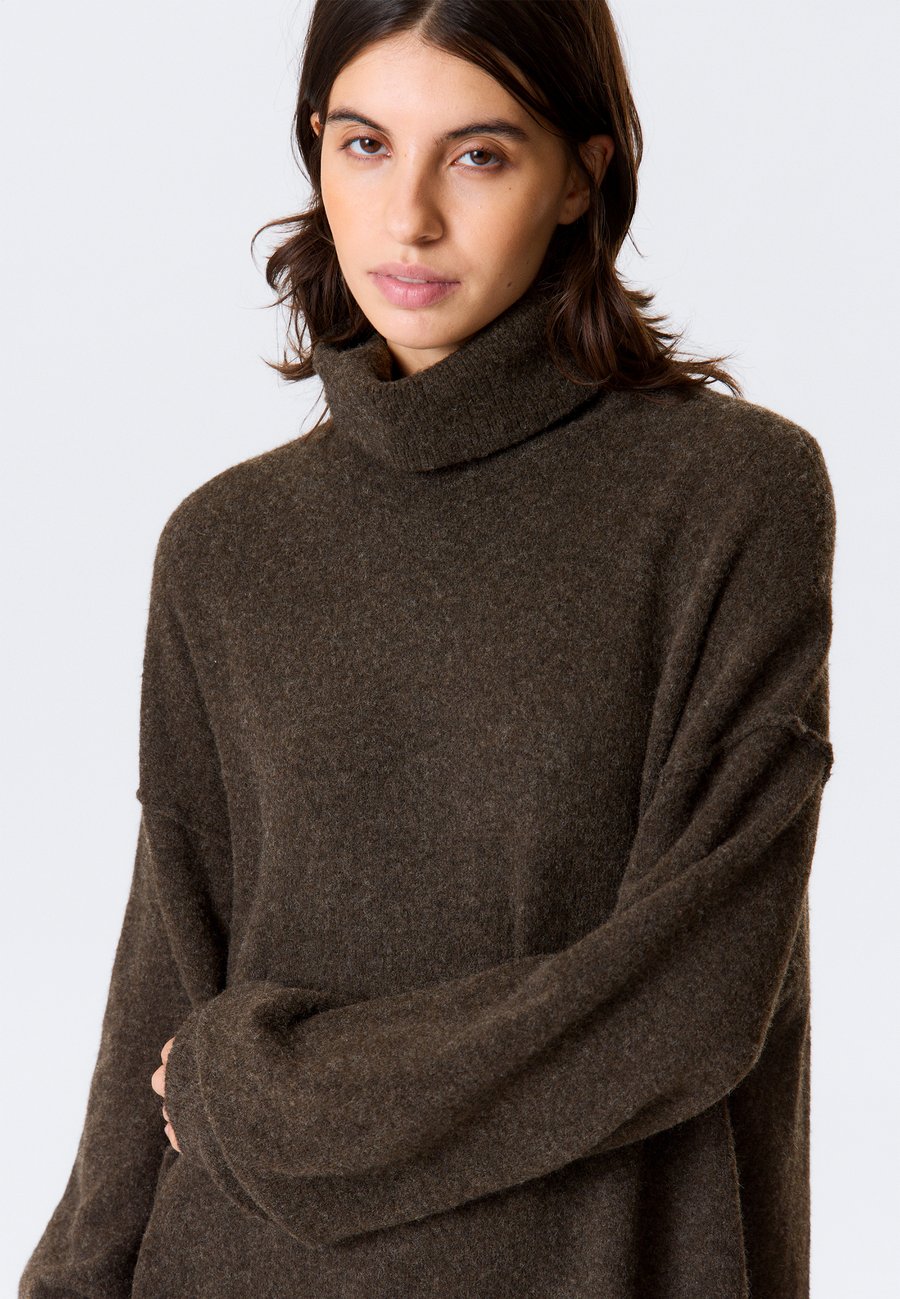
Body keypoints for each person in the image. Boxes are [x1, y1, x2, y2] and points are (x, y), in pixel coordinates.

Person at [19, 2, 836, 1297]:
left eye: (478, 155)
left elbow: (691, 1001)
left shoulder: (730, 497)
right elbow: (165, 970)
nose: (407, 218)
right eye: (364, 144)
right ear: (315, 147)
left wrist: (266, 1091)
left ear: (582, 175)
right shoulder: (227, 545)